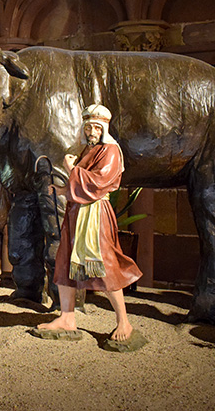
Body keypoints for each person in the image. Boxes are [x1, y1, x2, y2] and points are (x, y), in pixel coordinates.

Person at [34, 104, 143, 349]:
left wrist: (72, 168)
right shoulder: (89, 150)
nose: (91, 130)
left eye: (96, 126)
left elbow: (99, 182)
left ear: (104, 127)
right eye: (88, 126)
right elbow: (80, 185)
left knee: (104, 265)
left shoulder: (111, 151)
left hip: (95, 215)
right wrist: (62, 190)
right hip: (76, 213)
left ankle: (123, 321)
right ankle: (67, 317)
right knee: (64, 262)